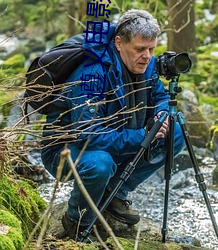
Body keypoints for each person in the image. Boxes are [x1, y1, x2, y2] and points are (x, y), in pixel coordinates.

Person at [41, 9, 185, 241]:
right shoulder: (91, 75)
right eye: (140, 49)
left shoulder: (146, 64)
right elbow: (87, 135)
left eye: (151, 49)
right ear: (119, 43)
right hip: (67, 150)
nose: (147, 56)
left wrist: (161, 114)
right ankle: (76, 221)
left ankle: (115, 193)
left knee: (175, 132)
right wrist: (142, 135)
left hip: (117, 136)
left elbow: (159, 96)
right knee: (100, 164)